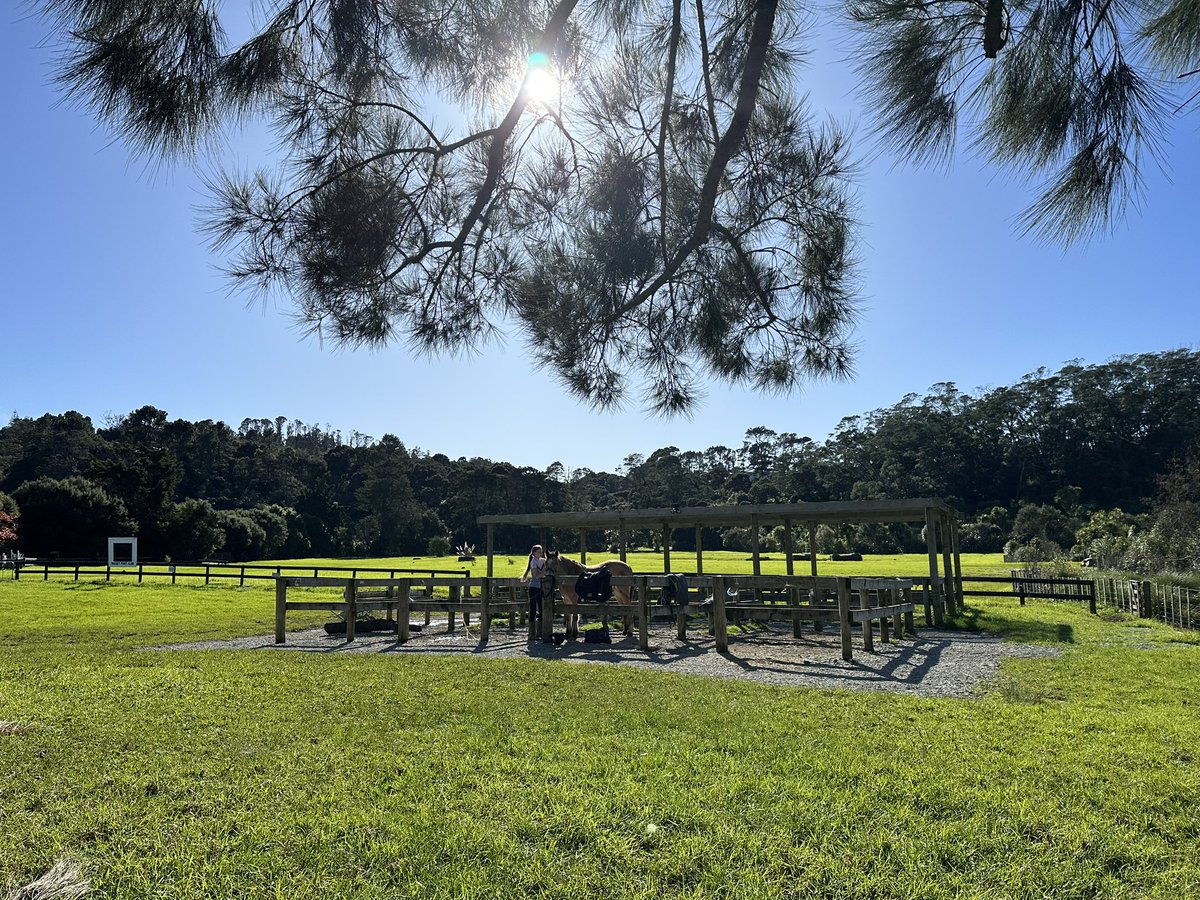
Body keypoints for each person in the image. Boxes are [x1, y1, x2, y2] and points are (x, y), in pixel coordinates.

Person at [520, 544, 547, 634]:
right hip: (534, 588)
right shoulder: (533, 562)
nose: (541, 553)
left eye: (541, 552)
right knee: (533, 610)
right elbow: (536, 575)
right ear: (534, 553)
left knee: (541, 610)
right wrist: (545, 572)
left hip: (541, 588)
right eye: (539, 552)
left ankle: (539, 632)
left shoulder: (543, 560)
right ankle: (531, 633)